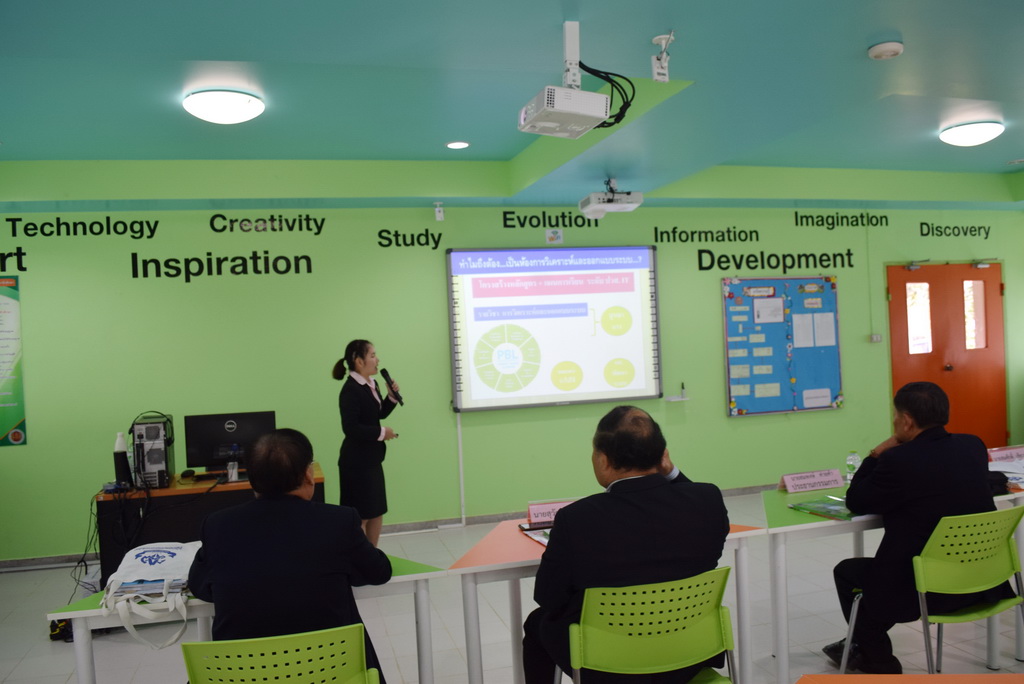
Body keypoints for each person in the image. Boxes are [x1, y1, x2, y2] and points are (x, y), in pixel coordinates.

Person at [522, 406, 731, 683]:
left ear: (604, 460)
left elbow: (548, 597)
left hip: (608, 666)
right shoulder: (708, 499)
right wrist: (672, 473)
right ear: (663, 456)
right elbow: (697, 505)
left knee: (538, 622)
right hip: (689, 655)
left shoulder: (577, 518)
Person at [823, 381, 1011, 674]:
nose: (894, 422)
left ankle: (879, 660)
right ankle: (860, 643)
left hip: (926, 589)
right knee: (882, 580)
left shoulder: (898, 460)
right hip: (982, 579)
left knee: (848, 573)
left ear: (907, 421)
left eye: (896, 416)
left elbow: (857, 500)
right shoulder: (973, 445)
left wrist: (876, 453)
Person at [188, 428, 392, 675]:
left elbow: (199, 587)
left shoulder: (218, 526)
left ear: (251, 478)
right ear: (308, 474)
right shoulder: (338, 521)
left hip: (246, 676)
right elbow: (379, 572)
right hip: (331, 672)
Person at [332, 339, 401, 547]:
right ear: (359, 361)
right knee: (360, 516)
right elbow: (351, 428)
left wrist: (391, 398)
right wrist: (382, 433)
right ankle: (360, 560)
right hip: (356, 463)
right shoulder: (350, 390)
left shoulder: (372, 384)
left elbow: (377, 415)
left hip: (372, 460)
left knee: (376, 511)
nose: (377, 360)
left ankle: (372, 556)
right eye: (372, 355)